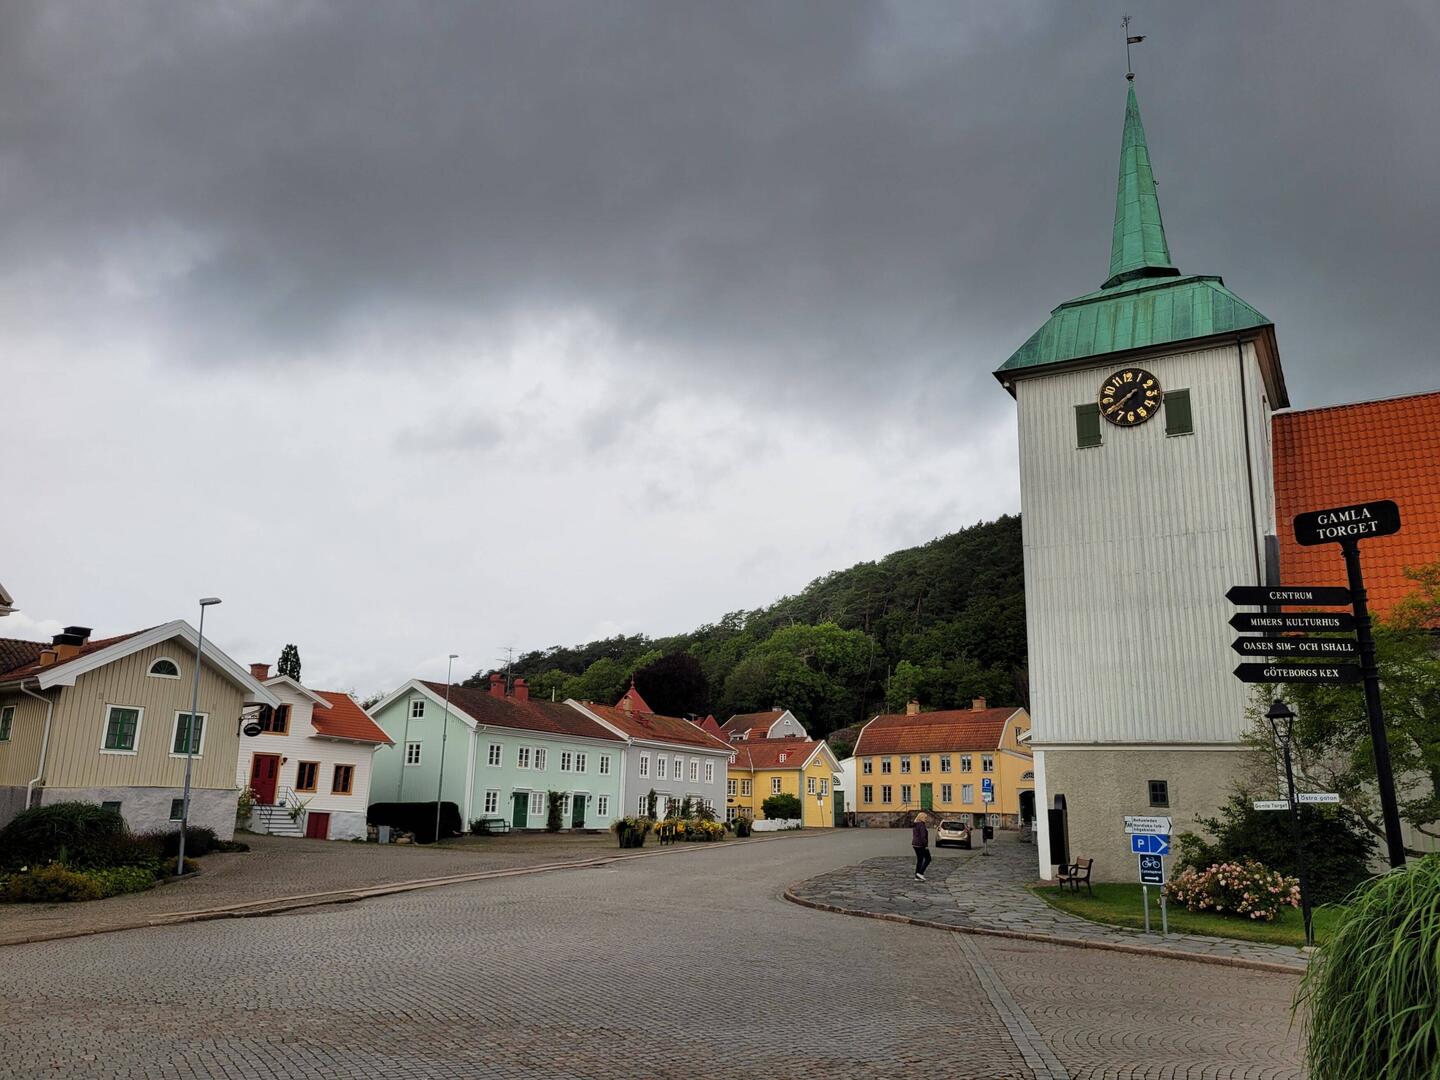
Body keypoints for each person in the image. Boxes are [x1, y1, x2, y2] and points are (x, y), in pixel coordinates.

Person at [912, 812, 932, 881]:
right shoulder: (921, 825)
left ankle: (917, 876)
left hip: (915, 844)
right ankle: (920, 873)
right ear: (922, 818)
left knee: (920, 860)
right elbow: (923, 837)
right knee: (928, 858)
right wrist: (926, 845)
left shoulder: (916, 824)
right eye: (925, 818)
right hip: (921, 845)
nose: (926, 819)